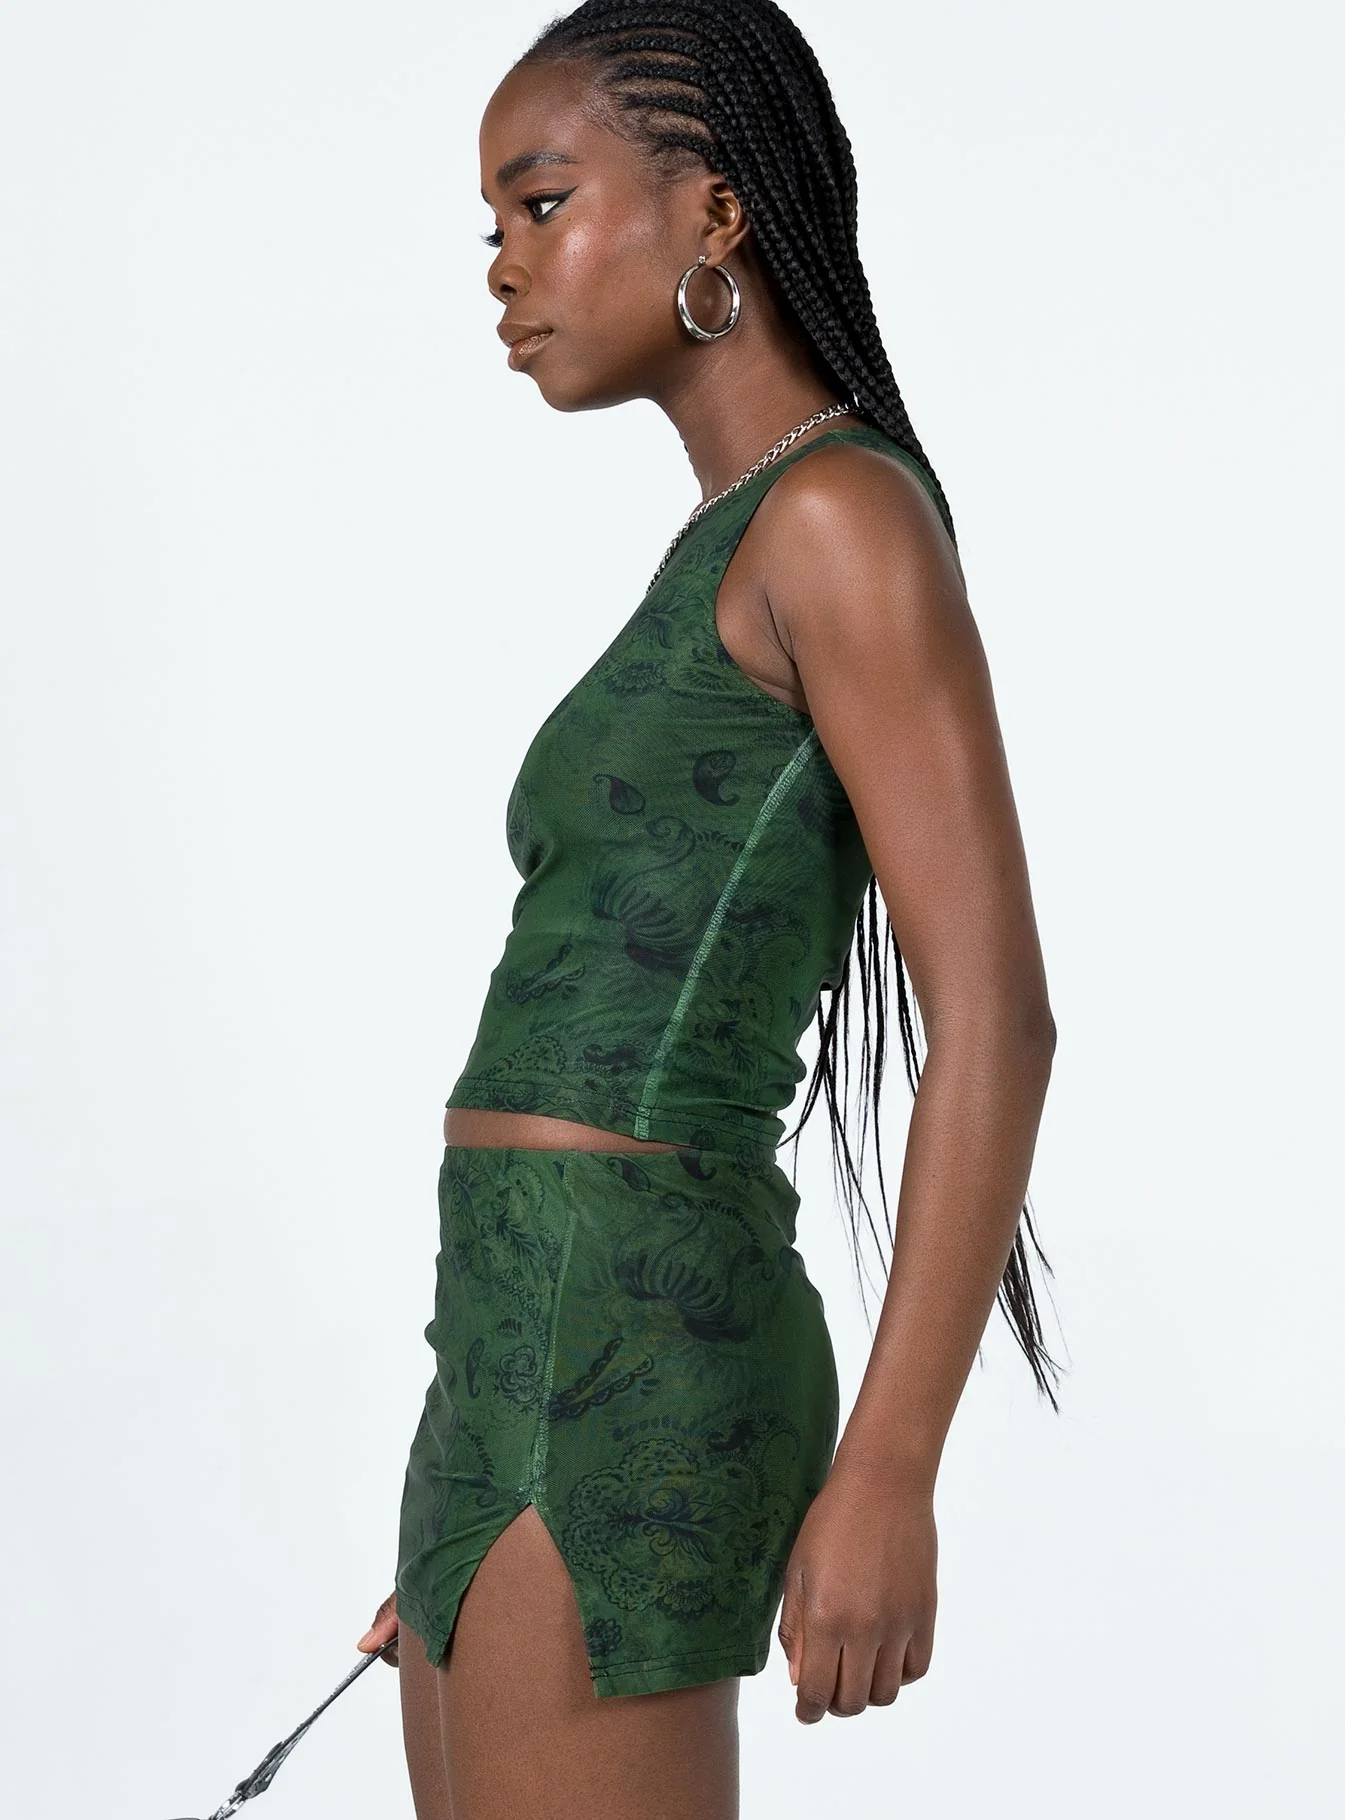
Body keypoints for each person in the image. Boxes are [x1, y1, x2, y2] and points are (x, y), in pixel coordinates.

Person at [357, 4, 1060, 1815]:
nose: (502, 265)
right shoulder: (733, 533)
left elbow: (996, 1013)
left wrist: (890, 1470)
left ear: (716, 213)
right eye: (492, 225)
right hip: (503, 1352)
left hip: (630, 1354)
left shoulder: (839, 520)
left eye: (542, 204)